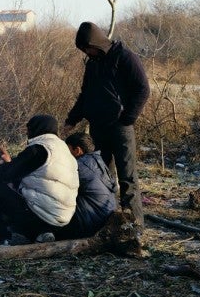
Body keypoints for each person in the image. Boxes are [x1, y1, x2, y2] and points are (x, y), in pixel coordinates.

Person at [63, 21, 150, 226]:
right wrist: (71, 119)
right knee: (103, 177)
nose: (86, 52)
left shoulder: (126, 58)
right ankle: (107, 222)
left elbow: (143, 89)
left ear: (96, 42)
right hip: (98, 128)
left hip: (121, 128)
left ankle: (135, 225)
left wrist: (127, 118)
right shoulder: (92, 64)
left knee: (127, 178)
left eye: (87, 47)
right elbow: (85, 96)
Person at [0, 114, 79, 244]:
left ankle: (1, 238)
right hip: (61, 219)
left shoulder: (39, 149)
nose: (27, 133)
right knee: (12, 189)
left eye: (29, 129)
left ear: (37, 129)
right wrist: (10, 163)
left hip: (42, 215)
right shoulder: (62, 150)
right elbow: (34, 177)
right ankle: (40, 232)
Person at [58, 132, 117, 239]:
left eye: (68, 150)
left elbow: (58, 189)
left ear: (77, 150)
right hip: (105, 220)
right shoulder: (98, 161)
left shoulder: (79, 166)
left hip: (89, 226)